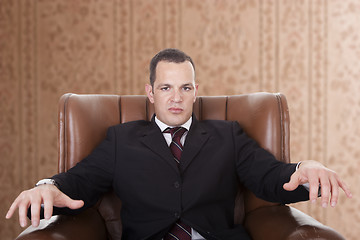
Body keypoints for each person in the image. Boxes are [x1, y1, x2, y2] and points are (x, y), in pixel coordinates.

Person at [6, 48, 352, 239]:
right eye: (166, 88)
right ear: (150, 92)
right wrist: (48, 186)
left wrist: (305, 169)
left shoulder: (227, 135)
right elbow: (80, 181)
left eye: (185, 88)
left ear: (195, 92)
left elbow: (270, 176)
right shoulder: (120, 140)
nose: (176, 98)